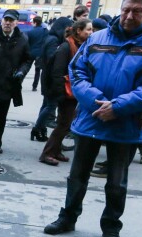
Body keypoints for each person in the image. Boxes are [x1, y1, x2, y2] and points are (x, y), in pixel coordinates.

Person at [43, 0, 142, 237]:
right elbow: (77, 72)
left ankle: (111, 226)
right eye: (126, 10)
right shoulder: (98, 37)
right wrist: (95, 102)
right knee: (77, 176)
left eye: (137, 11)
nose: (129, 16)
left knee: (117, 182)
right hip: (91, 118)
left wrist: (118, 107)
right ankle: (67, 217)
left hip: (126, 123)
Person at [38, 18, 92, 166]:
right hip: (65, 93)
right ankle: (47, 153)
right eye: (88, 29)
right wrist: (60, 94)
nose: (91, 32)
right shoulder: (66, 47)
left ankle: (55, 151)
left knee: (66, 124)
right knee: (63, 124)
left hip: (73, 92)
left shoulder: (80, 46)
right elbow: (57, 72)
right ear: (78, 31)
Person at [0, 8, 33, 154]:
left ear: (16, 23)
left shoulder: (22, 39)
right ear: (1, 21)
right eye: (5, 20)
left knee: (1, 117)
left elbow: (27, 60)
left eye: (11, 20)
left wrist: (21, 72)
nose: (7, 23)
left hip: (8, 83)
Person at [26, 16, 48, 92]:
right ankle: (34, 86)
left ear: (35, 22)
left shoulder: (30, 32)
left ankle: (20, 83)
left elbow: (27, 43)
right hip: (40, 53)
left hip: (31, 52)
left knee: (26, 68)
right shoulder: (45, 31)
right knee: (37, 71)